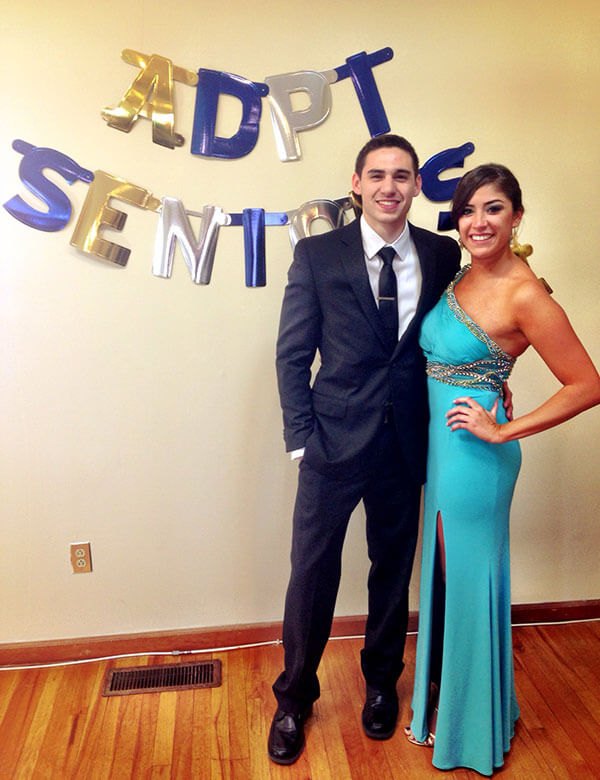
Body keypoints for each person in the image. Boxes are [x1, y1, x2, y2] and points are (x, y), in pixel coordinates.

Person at [267, 134, 461, 765]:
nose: (389, 186)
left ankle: (382, 684)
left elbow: (459, 334)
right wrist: (301, 440)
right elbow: (294, 353)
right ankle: (294, 697)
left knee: (390, 570)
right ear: (356, 183)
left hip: (406, 442)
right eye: (377, 174)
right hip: (330, 443)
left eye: (402, 175)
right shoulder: (319, 255)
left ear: (415, 185)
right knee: (313, 573)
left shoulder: (440, 252)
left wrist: (494, 384)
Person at [406, 163, 600, 776]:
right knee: (446, 574)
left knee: (468, 580)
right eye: (467, 210)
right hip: (443, 450)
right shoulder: (465, 273)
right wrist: (492, 381)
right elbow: (468, 357)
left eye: (493, 209)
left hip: (476, 458)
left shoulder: (525, 293)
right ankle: (465, 711)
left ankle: (471, 733)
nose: (477, 221)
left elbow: (587, 384)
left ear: (517, 217)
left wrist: (503, 427)